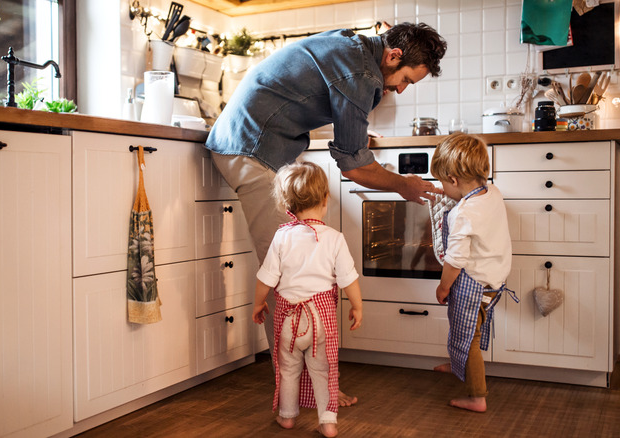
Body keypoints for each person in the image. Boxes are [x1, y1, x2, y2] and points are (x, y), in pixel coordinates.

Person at [205, 22, 447, 407]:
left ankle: (307, 384)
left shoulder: (355, 46)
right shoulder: (361, 73)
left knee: (294, 270)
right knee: (291, 274)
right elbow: (352, 166)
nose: (401, 89)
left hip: (257, 144)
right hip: (248, 148)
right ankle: (302, 390)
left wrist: (357, 135)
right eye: (404, 80)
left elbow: (337, 120)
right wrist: (404, 184)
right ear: (393, 56)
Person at [252, 162, 362, 437]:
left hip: (288, 319)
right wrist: (357, 306)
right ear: (326, 200)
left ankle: (287, 417)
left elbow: (266, 277)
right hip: (320, 319)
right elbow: (349, 279)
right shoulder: (334, 238)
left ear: (286, 204)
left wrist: (258, 303)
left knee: (288, 369)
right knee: (323, 371)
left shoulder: (282, 236)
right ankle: (327, 422)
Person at [429, 133, 518, 413]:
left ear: (454, 180)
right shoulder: (492, 193)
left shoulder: (463, 214)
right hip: (494, 280)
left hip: (473, 285)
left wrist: (443, 288)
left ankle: (477, 396)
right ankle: (458, 366)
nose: (444, 188)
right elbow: (467, 200)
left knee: (469, 338)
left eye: (444, 183)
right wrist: (445, 192)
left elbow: (456, 259)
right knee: (465, 332)